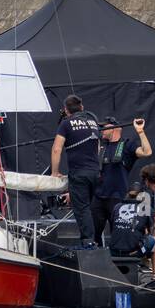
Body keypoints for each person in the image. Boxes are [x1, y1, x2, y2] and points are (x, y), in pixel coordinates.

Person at [50, 95, 102, 248]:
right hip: (95, 171)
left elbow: (56, 149)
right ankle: (95, 240)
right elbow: (98, 147)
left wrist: (55, 172)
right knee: (92, 207)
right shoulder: (93, 122)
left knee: (82, 209)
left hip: (79, 173)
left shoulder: (66, 124)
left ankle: (88, 242)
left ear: (66, 110)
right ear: (82, 107)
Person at [92, 116, 152, 247]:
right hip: (98, 197)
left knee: (117, 233)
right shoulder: (101, 145)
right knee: (93, 234)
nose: (101, 129)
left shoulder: (127, 144)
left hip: (117, 199)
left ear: (115, 128)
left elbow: (147, 152)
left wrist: (140, 132)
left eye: (104, 127)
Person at [109, 188, 155, 277]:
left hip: (113, 250)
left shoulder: (117, 207)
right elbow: (153, 232)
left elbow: (112, 229)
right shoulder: (146, 208)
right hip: (132, 252)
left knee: (139, 238)